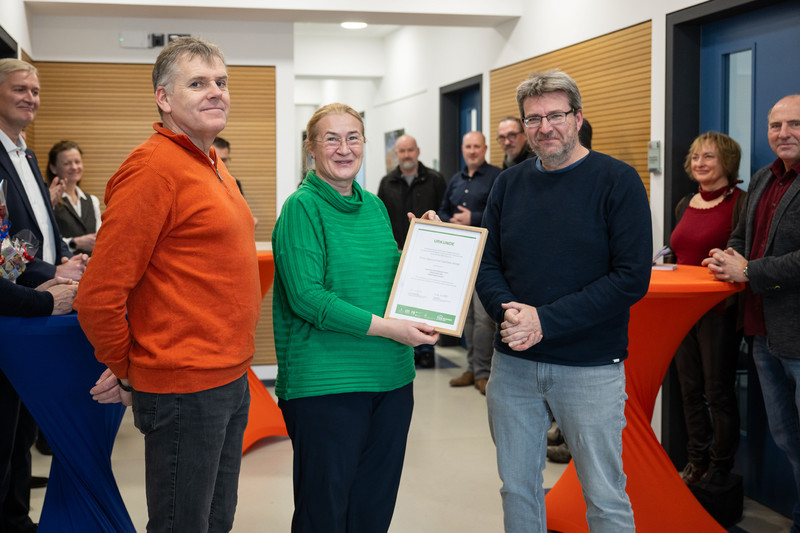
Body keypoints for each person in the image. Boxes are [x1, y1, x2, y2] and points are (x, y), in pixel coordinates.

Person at [75, 37, 261, 533]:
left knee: (216, 520)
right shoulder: (152, 169)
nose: (215, 92)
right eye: (197, 83)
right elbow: (99, 294)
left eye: (221, 82)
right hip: (185, 388)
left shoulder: (210, 161)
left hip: (229, 378)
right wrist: (130, 370)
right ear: (164, 98)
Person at [476, 69, 652, 532]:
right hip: (513, 364)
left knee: (604, 495)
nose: (545, 127)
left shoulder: (618, 181)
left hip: (590, 367)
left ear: (577, 117)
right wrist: (509, 313)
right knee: (518, 489)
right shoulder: (508, 185)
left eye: (555, 115)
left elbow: (631, 279)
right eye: (533, 119)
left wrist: (544, 321)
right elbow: (487, 264)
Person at [272, 102, 439, 532]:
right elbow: (307, 297)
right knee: (324, 514)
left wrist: (429, 244)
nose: (344, 148)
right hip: (327, 386)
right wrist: (389, 329)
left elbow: (388, 278)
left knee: (372, 510)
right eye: (331, 139)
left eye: (353, 138)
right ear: (311, 148)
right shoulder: (301, 208)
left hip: (392, 381)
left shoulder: (375, 207)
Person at [703, 94, 800, 532]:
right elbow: (741, 237)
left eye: (795, 124)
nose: (784, 133)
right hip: (761, 333)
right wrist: (727, 258)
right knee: (787, 438)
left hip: (797, 335)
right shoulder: (763, 178)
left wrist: (749, 271)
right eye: (776, 125)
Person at [0, 57, 87, 533]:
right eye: (20, 89)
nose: (31, 98)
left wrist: (61, 262)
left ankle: (17, 519)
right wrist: (46, 278)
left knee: (19, 431)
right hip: (13, 307)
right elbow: (2, 251)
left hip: (38, 300)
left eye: (35, 90)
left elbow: (33, 232)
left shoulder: (27, 153)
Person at [670, 132, 746, 485]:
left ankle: (719, 468)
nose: (699, 163)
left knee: (718, 393)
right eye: (696, 156)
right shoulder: (685, 203)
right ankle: (696, 460)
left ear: (727, 162)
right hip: (682, 311)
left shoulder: (741, 204)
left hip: (719, 313)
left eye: (709, 157)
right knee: (689, 390)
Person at [439, 131, 501, 395]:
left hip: (486, 257)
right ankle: (472, 369)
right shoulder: (456, 179)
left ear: (484, 148)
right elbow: (443, 209)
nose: (472, 151)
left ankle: (484, 373)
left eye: (477, 146)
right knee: (467, 318)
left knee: (484, 318)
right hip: (460, 257)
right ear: (463, 149)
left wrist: (473, 218)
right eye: (468, 147)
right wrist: (449, 220)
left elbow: (501, 212)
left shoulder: (497, 176)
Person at [378, 134, 446, 368]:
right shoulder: (387, 182)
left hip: (428, 251)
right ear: (396, 154)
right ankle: (408, 347)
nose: (406, 155)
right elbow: (382, 218)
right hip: (397, 250)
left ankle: (426, 349)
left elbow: (444, 212)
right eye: (402, 151)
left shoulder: (435, 179)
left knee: (426, 302)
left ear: (417, 151)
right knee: (405, 300)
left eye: (410, 150)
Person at [46, 141, 101, 255]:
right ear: (53, 168)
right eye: (67, 163)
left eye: (77, 162)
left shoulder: (93, 200)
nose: (74, 167)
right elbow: (45, 240)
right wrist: (74, 242)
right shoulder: (48, 200)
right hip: (62, 263)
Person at [212, 136, 258, 227]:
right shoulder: (201, 184)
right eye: (217, 159)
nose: (221, 164)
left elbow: (242, 214)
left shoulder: (235, 184)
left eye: (224, 160)